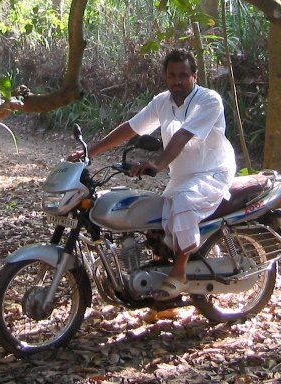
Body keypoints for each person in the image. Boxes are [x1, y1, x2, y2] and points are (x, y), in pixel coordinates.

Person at [72, 48, 236, 298]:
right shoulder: (162, 102)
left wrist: (158, 163)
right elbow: (132, 128)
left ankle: (179, 273)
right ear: (165, 76)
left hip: (212, 171)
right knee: (153, 217)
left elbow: (183, 135)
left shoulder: (208, 100)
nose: (177, 81)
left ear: (195, 76)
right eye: (172, 75)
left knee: (183, 204)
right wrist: (90, 152)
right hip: (182, 175)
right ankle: (156, 285)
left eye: (183, 75)